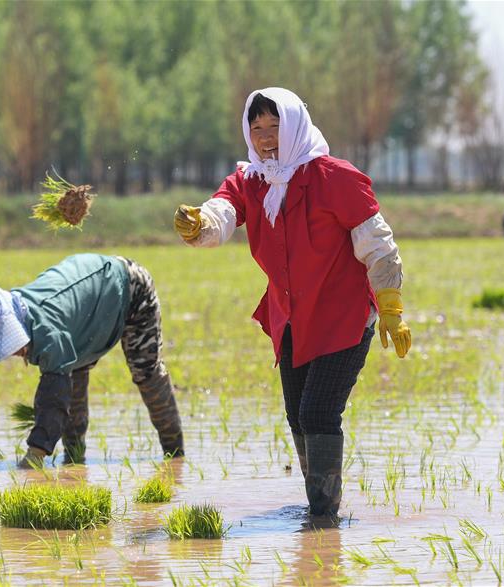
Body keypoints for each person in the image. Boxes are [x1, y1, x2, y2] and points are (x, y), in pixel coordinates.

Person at [173, 87, 411, 521]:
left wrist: (392, 310)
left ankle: (324, 517)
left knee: (318, 411)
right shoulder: (252, 181)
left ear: (295, 124)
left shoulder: (334, 177)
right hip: (292, 320)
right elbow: (221, 213)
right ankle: (319, 509)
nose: (266, 137)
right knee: (297, 415)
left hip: (343, 316)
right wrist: (199, 222)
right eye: (257, 127)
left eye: (274, 125)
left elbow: (378, 246)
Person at [0, 253, 184, 468]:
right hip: (90, 300)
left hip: (128, 286)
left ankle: (175, 454)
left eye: (7, 343)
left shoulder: (48, 331)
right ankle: (74, 461)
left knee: (145, 371)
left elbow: (54, 398)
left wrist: (34, 456)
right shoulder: (26, 312)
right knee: (72, 371)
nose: (10, 353)